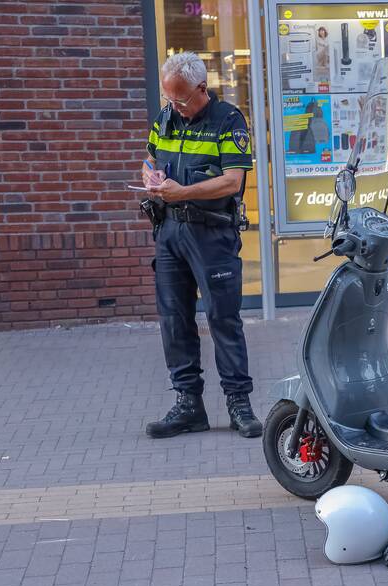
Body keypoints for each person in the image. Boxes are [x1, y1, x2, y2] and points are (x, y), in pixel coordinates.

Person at [140, 52, 262, 439]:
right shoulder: (165, 118)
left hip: (211, 234)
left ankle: (239, 404)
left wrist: (183, 192)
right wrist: (150, 178)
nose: (174, 106)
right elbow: (148, 160)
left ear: (202, 88)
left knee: (223, 320)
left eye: (180, 99)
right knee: (174, 320)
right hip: (169, 232)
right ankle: (188, 405)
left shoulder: (228, 120)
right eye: (169, 99)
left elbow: (232, 181)